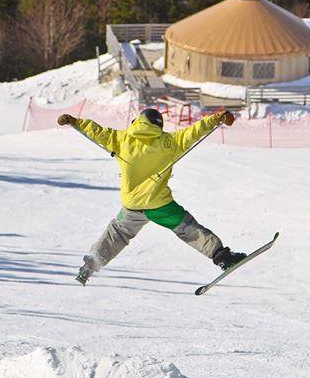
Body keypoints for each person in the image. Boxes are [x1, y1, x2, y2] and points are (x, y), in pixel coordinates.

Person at [57, 108, 245, 285]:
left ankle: (89, 267)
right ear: (158, 125)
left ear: (138, 121)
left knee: (117, 233)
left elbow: (96, 131)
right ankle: (222, 257)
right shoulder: (169, 141)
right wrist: (217, 118)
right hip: (159, 205)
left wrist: (74, 121)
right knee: (188, 228)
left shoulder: (121, 139)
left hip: (131, 206)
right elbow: (195, 131)